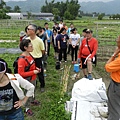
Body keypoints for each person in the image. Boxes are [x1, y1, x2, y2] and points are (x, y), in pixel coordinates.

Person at [18, 39, 40, 116]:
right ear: (25, 47)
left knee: (33, 89)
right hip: (27, 80)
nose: (32, 47)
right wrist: (33, 72)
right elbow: (21, 74)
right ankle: (26, 108)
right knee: (26, 93)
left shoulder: (29, 55)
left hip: (33, 78)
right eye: (31, 46)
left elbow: (31, 65)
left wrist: (36, 69)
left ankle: (32, 100)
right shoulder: (21, 60)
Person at [26, 24, 45, 92]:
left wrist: (38, 56)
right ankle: (32, 85)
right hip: (29, 59)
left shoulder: (39, 40)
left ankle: (42, 85)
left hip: (37, 59)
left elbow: (43, 51)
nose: (27, 30)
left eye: (28, 29)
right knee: (30, 73)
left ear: (33, 31)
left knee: (40, 73)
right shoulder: (26, 40)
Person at [105, 36, 120, 120]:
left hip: (117, 86)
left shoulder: (119, 60)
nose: (116, 43)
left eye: (117, 42)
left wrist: (114, 54)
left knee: (115, 108)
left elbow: (107, 67)